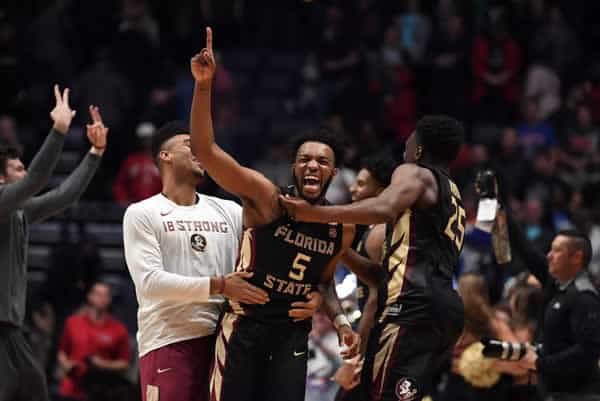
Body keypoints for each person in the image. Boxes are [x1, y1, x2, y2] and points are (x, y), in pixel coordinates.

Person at [190, 27, 360, 401]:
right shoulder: (268, 199)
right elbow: (205, 151)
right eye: (304, 159)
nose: (312, 166)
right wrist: (204, 87)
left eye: (322, 161)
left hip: (291, 334)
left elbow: (324, 282)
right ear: (294, 168)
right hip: (244, 329)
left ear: (334, 172)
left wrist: (339, 318)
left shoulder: (340, 225)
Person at [122, 121, 321, 401]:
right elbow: (149, 283)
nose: (200, 153)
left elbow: (282, 250)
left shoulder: (230, 210)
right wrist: (220, 285)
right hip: (171, 341)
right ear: (165, 156)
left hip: (229, 341)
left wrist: (316, 293)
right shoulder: (142, 213)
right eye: (190, 146)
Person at [280, 115, 467, 401]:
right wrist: (340, 247)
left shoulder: (413, 171)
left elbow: (385, 208)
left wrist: (314, 214)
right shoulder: (453, 194)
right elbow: (384, 276)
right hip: (445, 311)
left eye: (410, 140)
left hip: (411, 307)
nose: (404, 145)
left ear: (418, 148)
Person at [0, 85, 107, 401]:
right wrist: (59, 130)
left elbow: (65, 196)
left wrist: (94, 153)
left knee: (35, 390)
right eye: (18, 167)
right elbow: (37, 179)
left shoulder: (17, 210)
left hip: (12, 331)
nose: (25, 171)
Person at [504, 219, 600, 400]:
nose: (549, 255)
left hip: (578, 395)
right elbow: (528, 252)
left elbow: (588, 351)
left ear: (576, 258)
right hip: (553, 391)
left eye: (557, 251)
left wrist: (541, 363)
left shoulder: (584, 296)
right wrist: (502, 211)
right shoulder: (556, 285)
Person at [333, 153, 397, 400]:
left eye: (361, 184)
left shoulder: (379, 234)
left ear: (381, 191)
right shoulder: (376, 230)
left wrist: (356, 356)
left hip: (379, 341)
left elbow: (375, 297)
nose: (352, 188)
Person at [58, 282, 130, 401]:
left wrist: (102, 364)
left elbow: (124, 363)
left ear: (109, 299)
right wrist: (66, 365)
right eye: (98, 294)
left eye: (105, 295)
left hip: (101, 390)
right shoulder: (73, 322)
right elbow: (62, 352)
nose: (101, 299)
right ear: (90, 296)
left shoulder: (119, 329)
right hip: (72, 388)